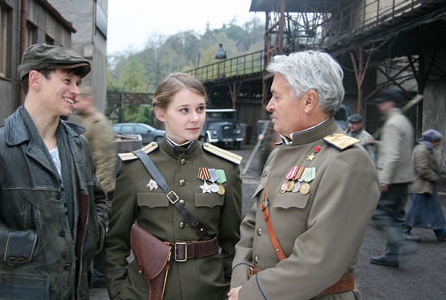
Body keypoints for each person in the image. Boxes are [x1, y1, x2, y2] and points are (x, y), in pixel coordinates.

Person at [0, 44, 108, 299]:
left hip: (76, 290)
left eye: (77, 83)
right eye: (67, 80)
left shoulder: (79, 146)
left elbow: (98, 200)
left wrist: (93, 234)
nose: (76, 91)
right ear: (35, 79)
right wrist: (27, 245)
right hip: (18, 291)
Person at [228, 51, 380, 300]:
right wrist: (241, 280)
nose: (269, 106)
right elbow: (251, 228)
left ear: (309, 101)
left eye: (277, 97)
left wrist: (253, 293)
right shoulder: (281, 153)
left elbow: (319, 259)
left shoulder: (347, 160)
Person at [104, 72, 243, 299]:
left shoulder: (226, 168)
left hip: (208, 290)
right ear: (161, 113)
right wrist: (118, 291)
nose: (196, 118)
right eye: (184, 110)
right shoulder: (135, 168)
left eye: (200, 109)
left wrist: (230, 287)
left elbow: (233, 242)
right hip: (147, 290)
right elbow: (116, 241)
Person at [69, 84, 117, 288]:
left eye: (77, 100)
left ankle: (98, 274)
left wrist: (99, 194)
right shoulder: (88, 121)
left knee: (98, 232)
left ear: (87, 100)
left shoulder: (97, 124)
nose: (73, 103)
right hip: (96, 189)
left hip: (100, 191)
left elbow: (103, 163)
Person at [369, 89, 414, 268]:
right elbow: (396, 149)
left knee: (380, 214)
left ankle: (401, 244)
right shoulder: (403, 121)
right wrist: (377, 143)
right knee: (395, 216)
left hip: (393, 179)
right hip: (404, 178)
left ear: (390, 103)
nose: (380, 105)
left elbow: (393, 154)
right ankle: (392, 254)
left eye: (382, 102)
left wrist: (384, 179)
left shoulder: (392, 124)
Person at [404, 129, 446, 242]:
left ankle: (441, 233)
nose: (438, 144)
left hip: (425, 187)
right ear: (433, 141)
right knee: (416, 211)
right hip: (420, 187)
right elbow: (422, 169)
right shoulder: (422, 150)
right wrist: (435, 177)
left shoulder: (426, 149)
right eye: (437, 141)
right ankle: (404, 230)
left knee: (434, 211)